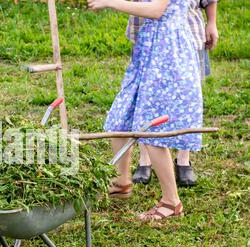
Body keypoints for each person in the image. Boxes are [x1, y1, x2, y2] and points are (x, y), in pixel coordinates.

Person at [87, 0, 203, 220]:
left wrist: (109, 3)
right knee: (120, 117)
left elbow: (155, 10)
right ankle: (121, 182)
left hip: (167, 53)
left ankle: (172, 202)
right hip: (150, 49)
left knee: (151, 129)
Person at [126, 0, 219, 187]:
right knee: (146, 95)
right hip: (146, 32)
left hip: (187, 34)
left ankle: (183, 159)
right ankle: (145, 159)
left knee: (186, 97)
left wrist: (212, 22)